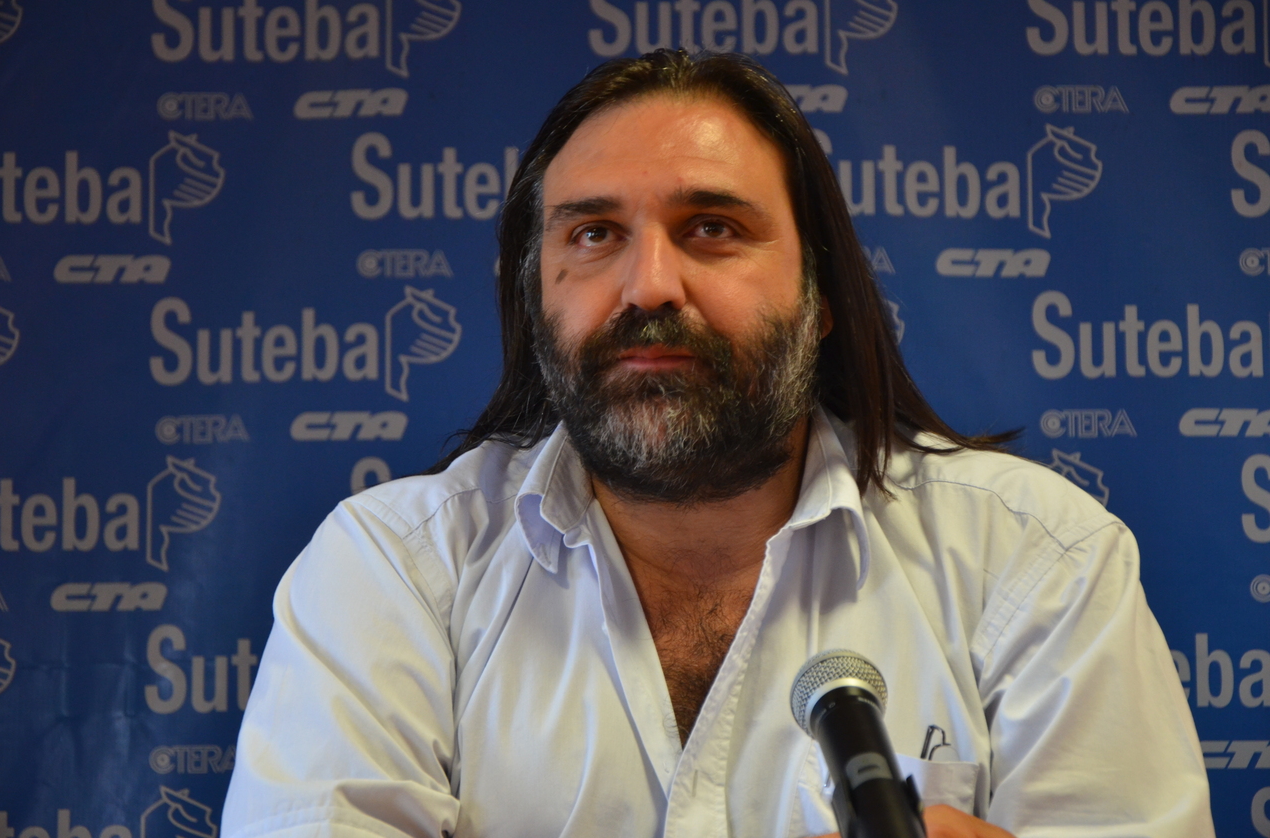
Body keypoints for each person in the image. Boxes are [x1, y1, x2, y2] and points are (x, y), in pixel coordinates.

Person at [220, 50, 1213, 838]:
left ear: (821, 295)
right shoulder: (391, 570)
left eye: (710, 228)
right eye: (593, 234)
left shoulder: (1036, 561)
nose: (648, 285)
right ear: (535, 297)